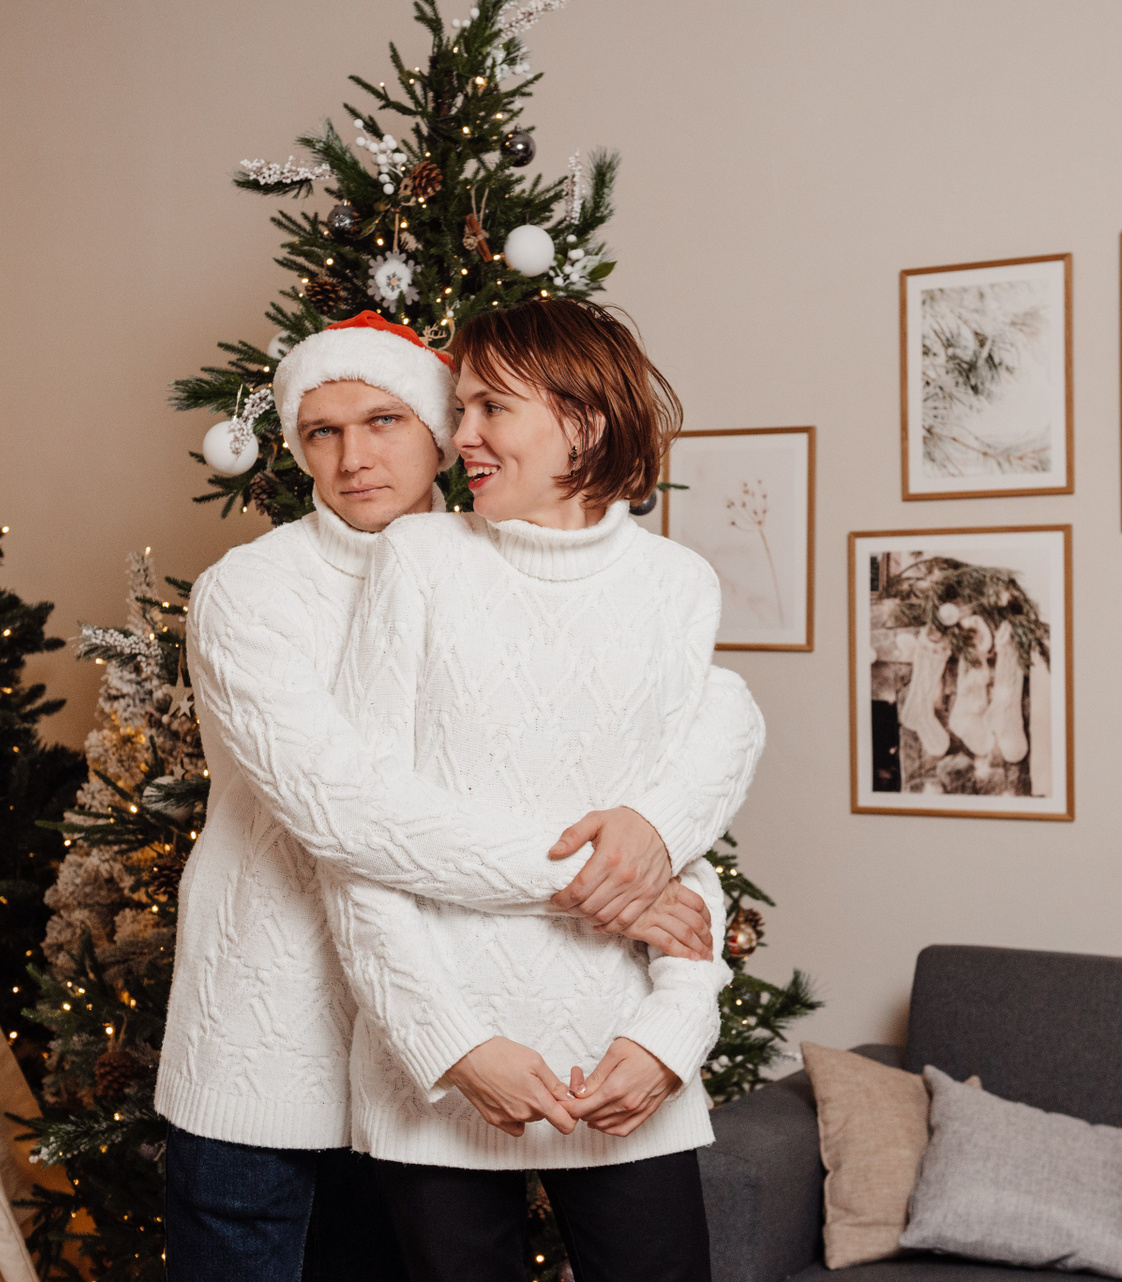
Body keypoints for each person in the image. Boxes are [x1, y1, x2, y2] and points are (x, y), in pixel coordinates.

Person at [159, 310, 763, 1279]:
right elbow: (345, 811)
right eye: (322, 431)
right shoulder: (257, 589)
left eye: (386, 420)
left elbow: (695, 735)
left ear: (436, 432)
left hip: (434, 1039)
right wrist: (606, 884)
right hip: (281, 1030)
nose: (355, 456)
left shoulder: (508, 566)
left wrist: (656, 843)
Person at [323, 299, 746, 1281]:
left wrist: (672, 1034)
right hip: (445, 1069)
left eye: (491, 409)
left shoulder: (677, 586)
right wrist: (453, 1046)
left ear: (583, 422)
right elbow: (356, 838)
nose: (460, 436)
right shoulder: (417, 561)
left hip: (626, 1058)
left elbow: (675, 851)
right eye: (459, 409)